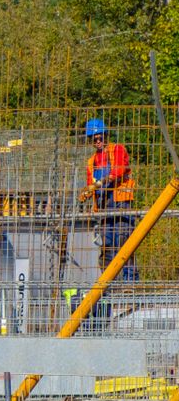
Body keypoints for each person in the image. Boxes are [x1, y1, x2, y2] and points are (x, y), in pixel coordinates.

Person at [80, 118, 138, 282]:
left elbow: (119, 170)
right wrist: (86, 193)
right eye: (94, 138)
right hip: (104, 205)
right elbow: (89, 185)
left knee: (123, 240)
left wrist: (101, 182)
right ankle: (108, 283)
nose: (98, 141)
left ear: (106, 135)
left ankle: (130, 282)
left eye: (100, 137)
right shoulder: (91, 162)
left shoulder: (117, 150)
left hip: (120, 201)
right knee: (107, 245)